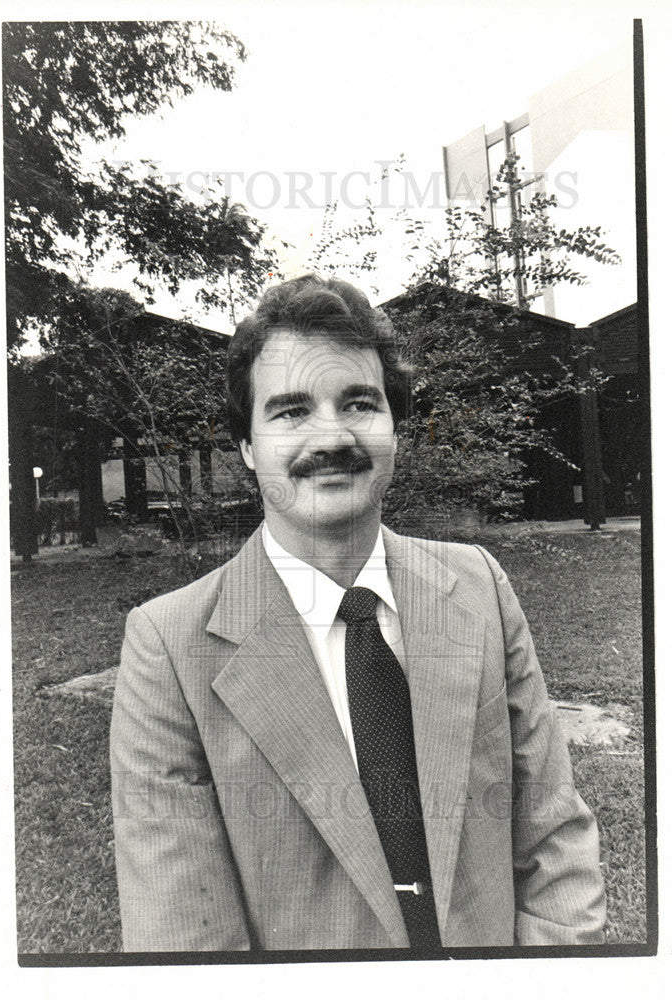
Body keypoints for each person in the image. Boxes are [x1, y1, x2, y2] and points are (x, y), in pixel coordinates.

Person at [110, 274, 606, 951]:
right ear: (248, 448)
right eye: (290, 411)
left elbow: (554, 838)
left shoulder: (480, 586)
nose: (332, 436)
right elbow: (184, 939)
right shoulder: (169, 646)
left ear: (394, 425)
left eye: (359, 403)